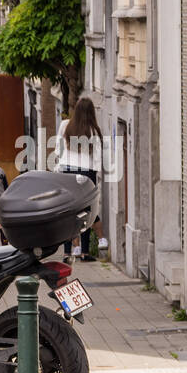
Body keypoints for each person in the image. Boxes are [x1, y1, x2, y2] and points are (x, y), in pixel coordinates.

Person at [55, 97, 105, 262]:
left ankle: (68, 252)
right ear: (92, 112)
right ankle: (84, 252)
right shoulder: (94, 130)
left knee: (68, 211)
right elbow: (97, 159)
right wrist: (96, 181)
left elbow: (58, 150)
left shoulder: (65, 125)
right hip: (86, 172)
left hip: (66, 170)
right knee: (86, 212)